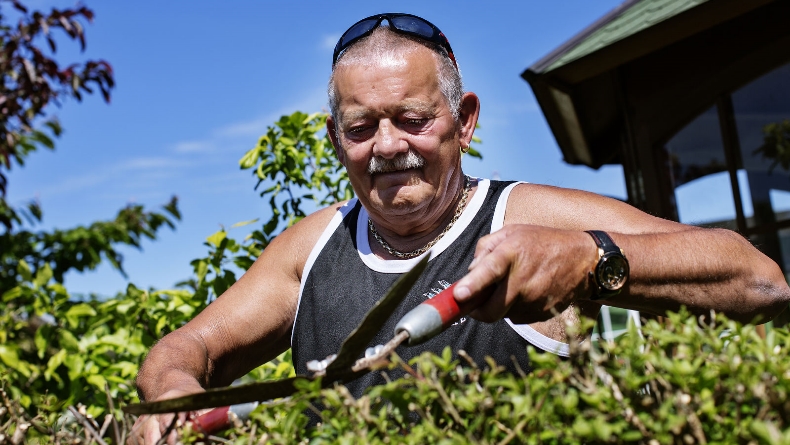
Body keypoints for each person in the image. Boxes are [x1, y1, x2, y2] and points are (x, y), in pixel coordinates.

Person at [130, 13, 790, 444]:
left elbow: (761, 282)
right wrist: (172, 398)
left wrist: (591, 258)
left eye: (412, 118)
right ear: (336, 141)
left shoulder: (533, 219)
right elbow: (185, 350)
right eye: (360, 128)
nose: (386, 146)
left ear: (464, 120)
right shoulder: (312, 247)